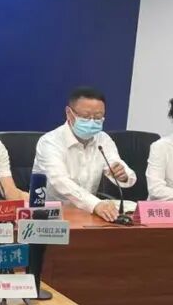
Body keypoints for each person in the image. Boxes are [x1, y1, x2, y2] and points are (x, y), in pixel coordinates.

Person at [33, 86, 136, 222]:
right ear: (69, 113)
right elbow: (59, 180)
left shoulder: (103, 140)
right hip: (51, 215)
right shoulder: (50, 142)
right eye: (86, 117)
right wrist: (95, 204)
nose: (92, 122)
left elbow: (117, 165)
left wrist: (122, 175)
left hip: (88, 213)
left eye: (98, 117)